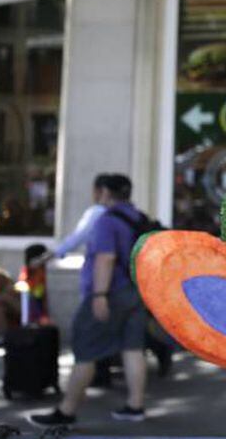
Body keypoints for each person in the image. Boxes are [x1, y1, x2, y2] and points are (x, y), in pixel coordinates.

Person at [30, 174, 150, 428]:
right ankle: (135, 405)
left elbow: (105, 258)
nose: (95, 194)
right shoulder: (138, 218)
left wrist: (99, 295)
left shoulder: (107, 220)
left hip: (111, 292)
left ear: (104, 191)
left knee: (85, 350)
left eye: (96, 190)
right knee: (133, 348)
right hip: (136, 291)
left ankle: (66, 411)